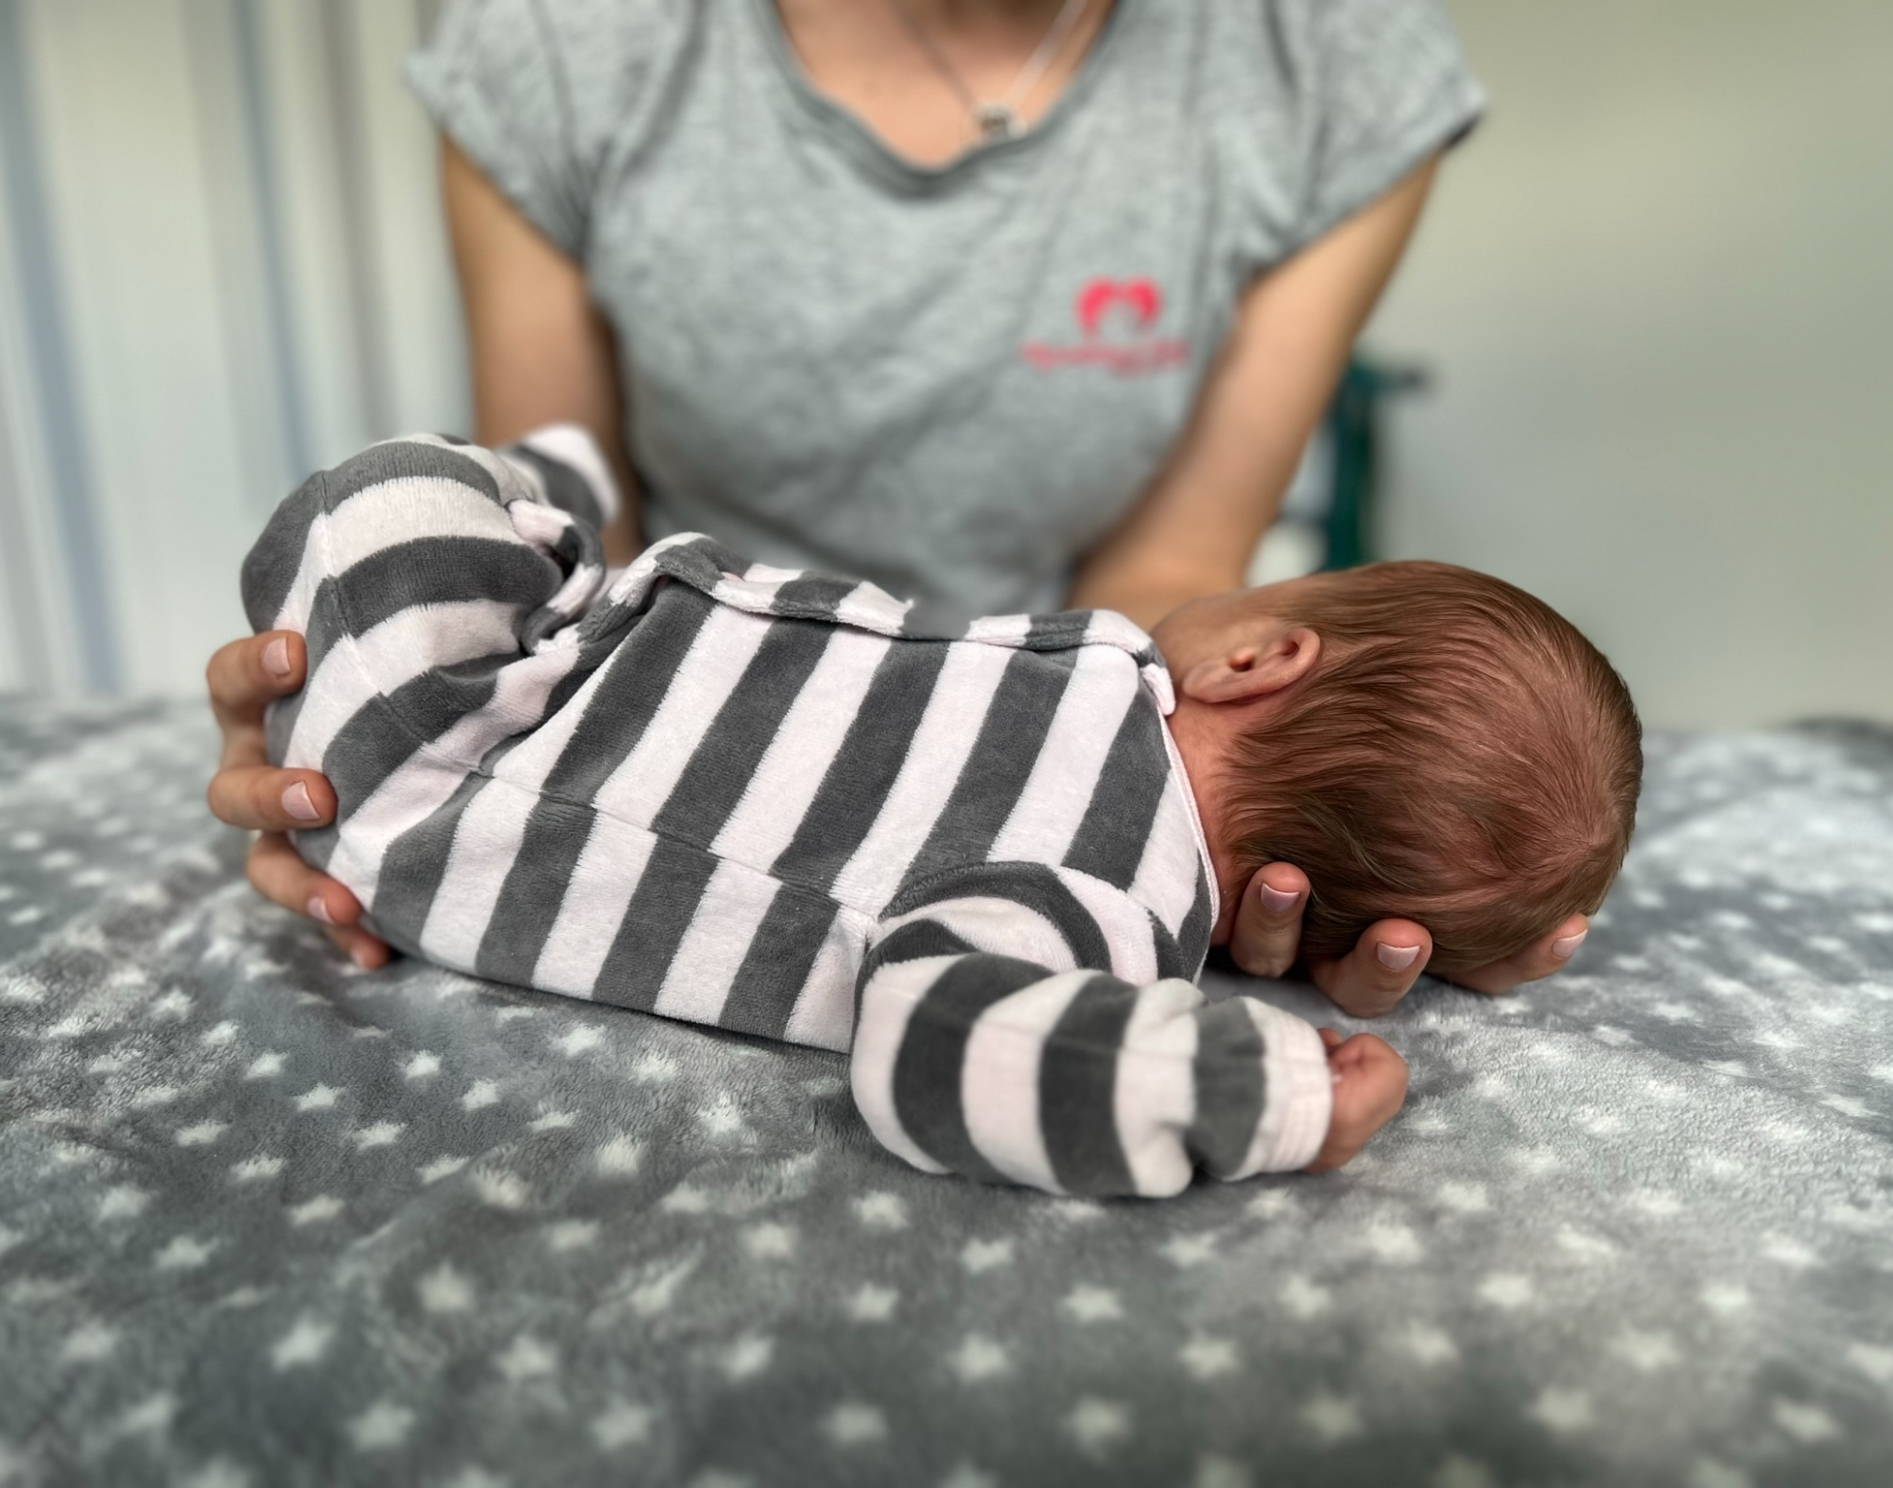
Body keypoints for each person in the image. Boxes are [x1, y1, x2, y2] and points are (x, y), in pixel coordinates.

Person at [206, 0, 1594, 1013]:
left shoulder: (1329, 65)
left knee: (407, 497)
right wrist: (361, 694)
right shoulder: (572, 42)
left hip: (636, 742)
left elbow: (1173, 569)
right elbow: (572, 507)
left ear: (1260, 659)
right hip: (649, 668)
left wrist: (1285, 860)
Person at [237, 426, 1639, 1196]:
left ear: (1260, 659)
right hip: (572, 662)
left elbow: (949, 1041)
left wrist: (1259, 1090)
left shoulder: (1097, 898)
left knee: (388, 494)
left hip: (451, 776)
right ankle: (558, 508)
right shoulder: (1110, 760)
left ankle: (554, 486)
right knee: (454, 515)